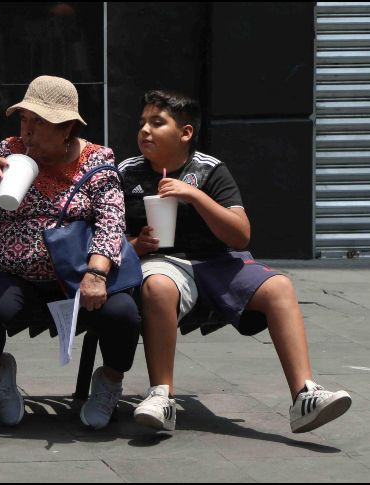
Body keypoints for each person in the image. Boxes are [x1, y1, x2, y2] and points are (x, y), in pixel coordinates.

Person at [120, 89, 352, 433]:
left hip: (218, 260)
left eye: (157, 123)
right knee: (157, 285)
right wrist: (136, 244)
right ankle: (161, 395)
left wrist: (195, 195)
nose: (145, 131)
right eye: (142, 123)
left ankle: (305, 394)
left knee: (279, 286)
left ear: (185, 133)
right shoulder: (127, 173)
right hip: (162, 261)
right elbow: (106, 232)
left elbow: (240, 235)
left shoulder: (210, 171)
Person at [0, 75, 141, 429]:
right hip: (16, 276)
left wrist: (96, 273)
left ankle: (109, 382)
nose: (27, 132)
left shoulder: (98, 161)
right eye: (24, 120)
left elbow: (111, 221)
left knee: (123, 314)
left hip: (77, 275)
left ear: (67, 128)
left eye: (38, 122)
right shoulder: (9, 150)